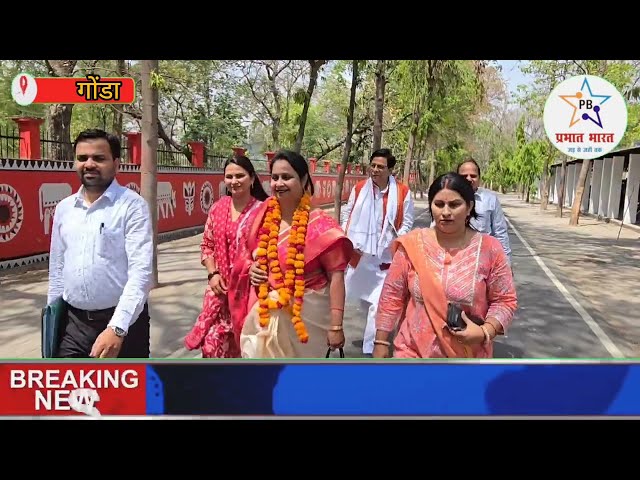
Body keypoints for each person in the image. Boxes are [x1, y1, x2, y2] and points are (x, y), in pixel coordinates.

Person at [373, 172, 517, 359]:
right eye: (439, 204)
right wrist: (381, 342)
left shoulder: (490, 249)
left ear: (469, 207)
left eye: (455, 204)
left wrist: (485, 332)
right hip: (411, 354)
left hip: (466, 357)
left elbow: (505, 300)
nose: (446, 212)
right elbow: (391, 297)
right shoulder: (412, 245)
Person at [47, 129, 154, 358]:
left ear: (116, 164)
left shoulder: (132, 206)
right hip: (73, 326)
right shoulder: (64, 208)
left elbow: (141, 273)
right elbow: (57, 269)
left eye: (99, 158)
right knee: (71, 391)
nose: (89, 164)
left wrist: (117, 328)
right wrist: (51, 319)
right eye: (82, 158)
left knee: (122, 393)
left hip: (124, 324)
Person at [241, 150, 354, 358]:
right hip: (266, 313)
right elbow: (249, 255)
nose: (279, 183)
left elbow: (336, 276)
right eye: (275, 178)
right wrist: (253, 269)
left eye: (287, 177)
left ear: (303, 180)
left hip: (308, 323)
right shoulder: (263, 215)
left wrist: (336, 326)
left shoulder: (321, 225)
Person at [184, 155, 269, 358]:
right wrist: (212, 273)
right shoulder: (218, 208)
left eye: (240, 175)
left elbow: (269, 250)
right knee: (212, 348)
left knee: (248, 350)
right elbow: (207, 244)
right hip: (220, 294)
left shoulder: (263, 211)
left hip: (249, 295)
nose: (234, 181)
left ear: (252, 178)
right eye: (229, 176)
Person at [340, 148, 414, 356]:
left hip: (386, 257)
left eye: (380, 167)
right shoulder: (360, 188)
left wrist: (397, 242)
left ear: (390, 169)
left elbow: (407, 221)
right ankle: (378, 332)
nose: (375, 170)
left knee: (378, 304)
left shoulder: (402, 192)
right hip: (361, 254)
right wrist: (348, 236)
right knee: (364, 300)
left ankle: (371, 350)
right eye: (372, 165)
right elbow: (349, 212)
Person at [430, 158, 512, 264]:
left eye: (473, 176)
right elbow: (434, 229)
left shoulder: (490, 199)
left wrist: (506, 263)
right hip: (452, 260)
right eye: (464, 176)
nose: (469, 179)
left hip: (483, 261)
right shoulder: (446, 197)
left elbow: (500, 233)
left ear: (479, 178)